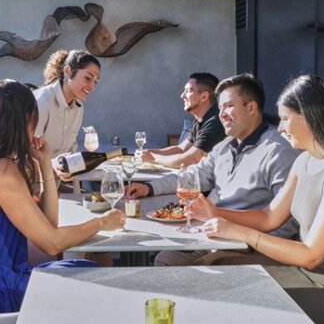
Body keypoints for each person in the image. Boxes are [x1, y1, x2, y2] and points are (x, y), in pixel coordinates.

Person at [189, 75, 324, 323]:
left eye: (285, 119)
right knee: (215, 262)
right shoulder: (304, 160)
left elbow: (312, 255)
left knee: (228, 289)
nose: (279, 128)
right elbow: (270, 217)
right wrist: (216, 214)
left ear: (309, 116)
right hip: (308, 275)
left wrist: (240, 233)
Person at [0, 79, 125, 313]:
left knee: (85, 269)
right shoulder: (2, 171)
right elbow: (52, 243)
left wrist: (45, 164)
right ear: (23, 120)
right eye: (33, 122)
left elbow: (48, 225)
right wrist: (102, 222)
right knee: (95, 279)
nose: (35, 131)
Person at [126, 73, 300, 266]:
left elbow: (288, 223)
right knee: (165, 260)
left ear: (251, 107)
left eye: (229, 106)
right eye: (220, 107)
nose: (222, 114)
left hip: (249, 245)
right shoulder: (226, 146)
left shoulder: (278, 151)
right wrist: (149, 188)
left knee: (185, 267)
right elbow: (193, 176)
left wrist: (248, 243)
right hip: (214, 234)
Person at [33, 50, 101, 178]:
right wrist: (54, 165)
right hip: (32, 186)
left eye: (95, 81)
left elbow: (71, 150)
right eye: (88, 78)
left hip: (58, 183)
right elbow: (27, 153)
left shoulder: (78, 108)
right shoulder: (42, 102)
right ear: (67, 71)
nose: (92, 86)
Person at [140, 72, 224, 168]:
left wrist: (153, 158)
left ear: (204, 96)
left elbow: (190, 160)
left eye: (188, 91)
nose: (182, 96)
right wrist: (148, 153)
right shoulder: (201, 119)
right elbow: (181, 149)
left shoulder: (215, 121)